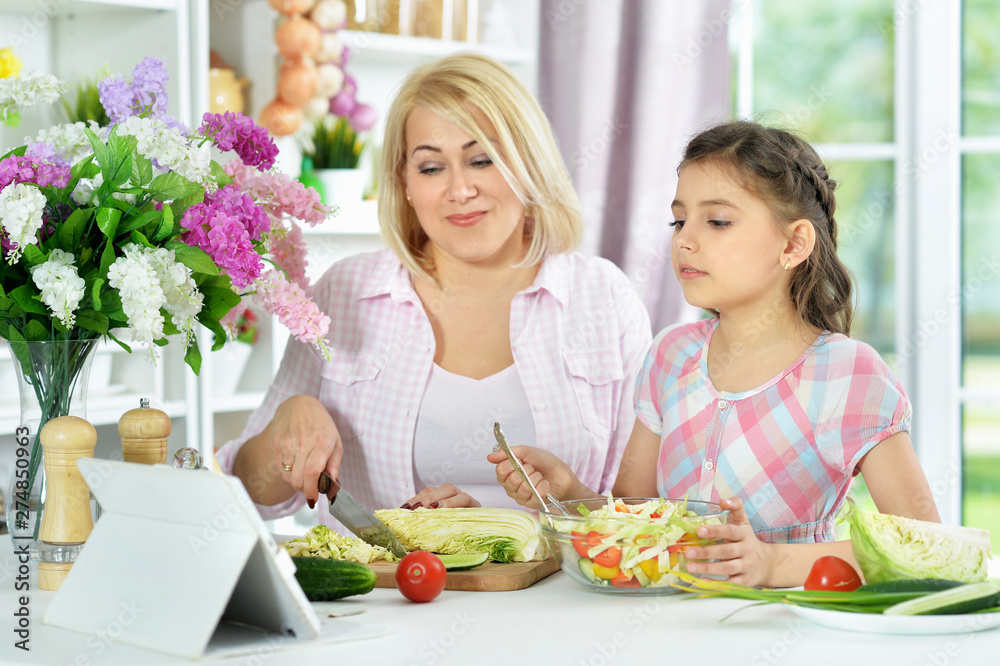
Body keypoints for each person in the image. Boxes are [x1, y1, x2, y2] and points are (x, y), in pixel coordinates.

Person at [490, 120, 940, 587]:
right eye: (679, 220)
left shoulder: (848, 374)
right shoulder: (671, 355)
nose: (685, 239)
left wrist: (771, 564)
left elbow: (922, 542)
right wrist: (571, 492)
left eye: (718, 221)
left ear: (793, 243)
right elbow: (636, 515)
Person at [215, 53, 652, 524]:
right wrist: (288, 422)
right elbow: (251, 494)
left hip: (561, 596)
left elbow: (643, 515)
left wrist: (500, 521)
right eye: (430, 167)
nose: (460, 190)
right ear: (403, 181)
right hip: (380, 596)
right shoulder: (345, 292)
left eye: (481, 160)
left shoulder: (603, 297)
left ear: (528, 164)